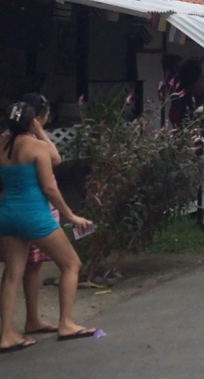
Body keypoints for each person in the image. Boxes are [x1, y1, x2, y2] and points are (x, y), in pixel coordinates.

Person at [0, 102, 96, 351]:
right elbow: (49, 188)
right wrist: (71, 216)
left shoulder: (2, 146)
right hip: (34, 215)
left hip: (7, 214)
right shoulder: (37, 147)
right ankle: (66, 323)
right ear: (33, 122)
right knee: (71, 264)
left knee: (12, 274)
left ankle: (7, 333)